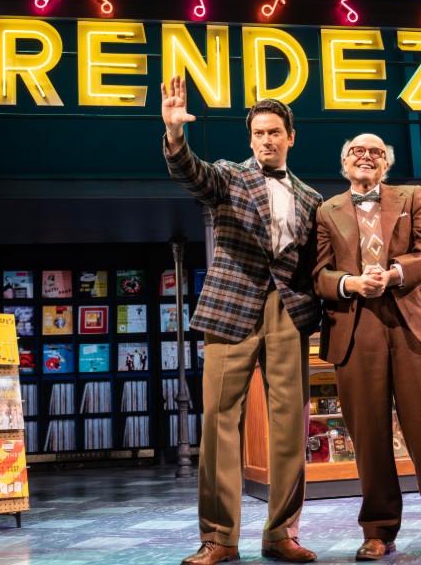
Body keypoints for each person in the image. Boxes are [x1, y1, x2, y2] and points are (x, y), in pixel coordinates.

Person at [161, 75, 323, 565]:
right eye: (259, 133)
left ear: (291, 137)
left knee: (291, 426)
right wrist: (174, 134)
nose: (267, 140)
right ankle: (218, 539)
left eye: (275, 132)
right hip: (231, 310)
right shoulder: (231, 176)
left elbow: (316, 263)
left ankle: (281, 534)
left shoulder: (312, 198)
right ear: (250, 139)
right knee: (219, 427)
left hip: (288, 312)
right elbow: (192, 173)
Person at [312, 133, 421, 561]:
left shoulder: (412, 196)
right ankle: (379, 530)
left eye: (376, 153)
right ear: (344, 164)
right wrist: (349, 283)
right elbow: (318, 274)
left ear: (387, 164)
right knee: (369, 436)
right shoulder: (326, 210)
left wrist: (395, 273)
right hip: (356, 328)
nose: (367, 157)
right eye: (358, 152)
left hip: (414, 324)